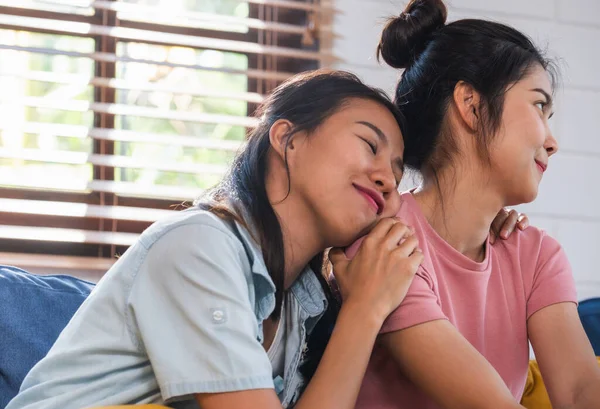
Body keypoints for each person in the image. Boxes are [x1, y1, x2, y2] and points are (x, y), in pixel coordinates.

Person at [7, 70, 525, 409]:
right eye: (368, 143)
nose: (387, 179)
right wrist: (365, 310)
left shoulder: (301, 303)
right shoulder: (198, 246)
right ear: (287, 138)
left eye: (396, 172)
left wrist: (486, 233)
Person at [347, 1, 600, 408]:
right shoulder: (386, 245)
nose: (553, 141)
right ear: (472, 106)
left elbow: (579, 393)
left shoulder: (536, 254)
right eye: (539, 106)